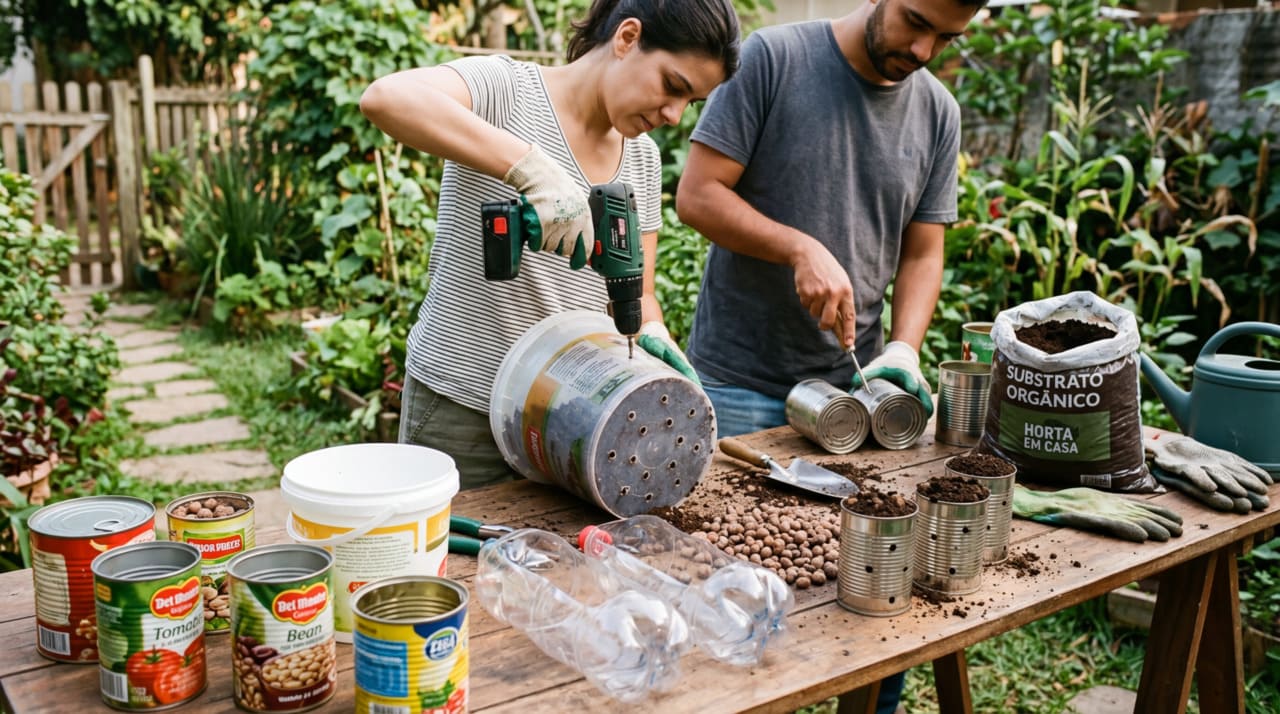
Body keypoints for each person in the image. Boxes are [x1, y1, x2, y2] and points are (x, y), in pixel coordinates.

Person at [674, 0, 986, 710]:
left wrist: (904, 346)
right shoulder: (772, 59)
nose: (926, 49)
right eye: (916, 21)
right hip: (738, 383)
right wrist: (799, 246)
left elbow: (924, 250)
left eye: (948, 36)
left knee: (878, 590)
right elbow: (697, 196)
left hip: (857, 396)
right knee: (723, 600)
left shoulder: (937, 111)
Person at [359, 0, 739, 490]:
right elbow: (386, 97)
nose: (673, 115)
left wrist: (654, 331)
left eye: (689, 104)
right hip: (464, 406)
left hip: (568, 420)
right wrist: (529, 168)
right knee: (447, 561)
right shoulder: (506, 90)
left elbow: (637, 289)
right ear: (627, 38)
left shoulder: (641, 158)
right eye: (673, 86)